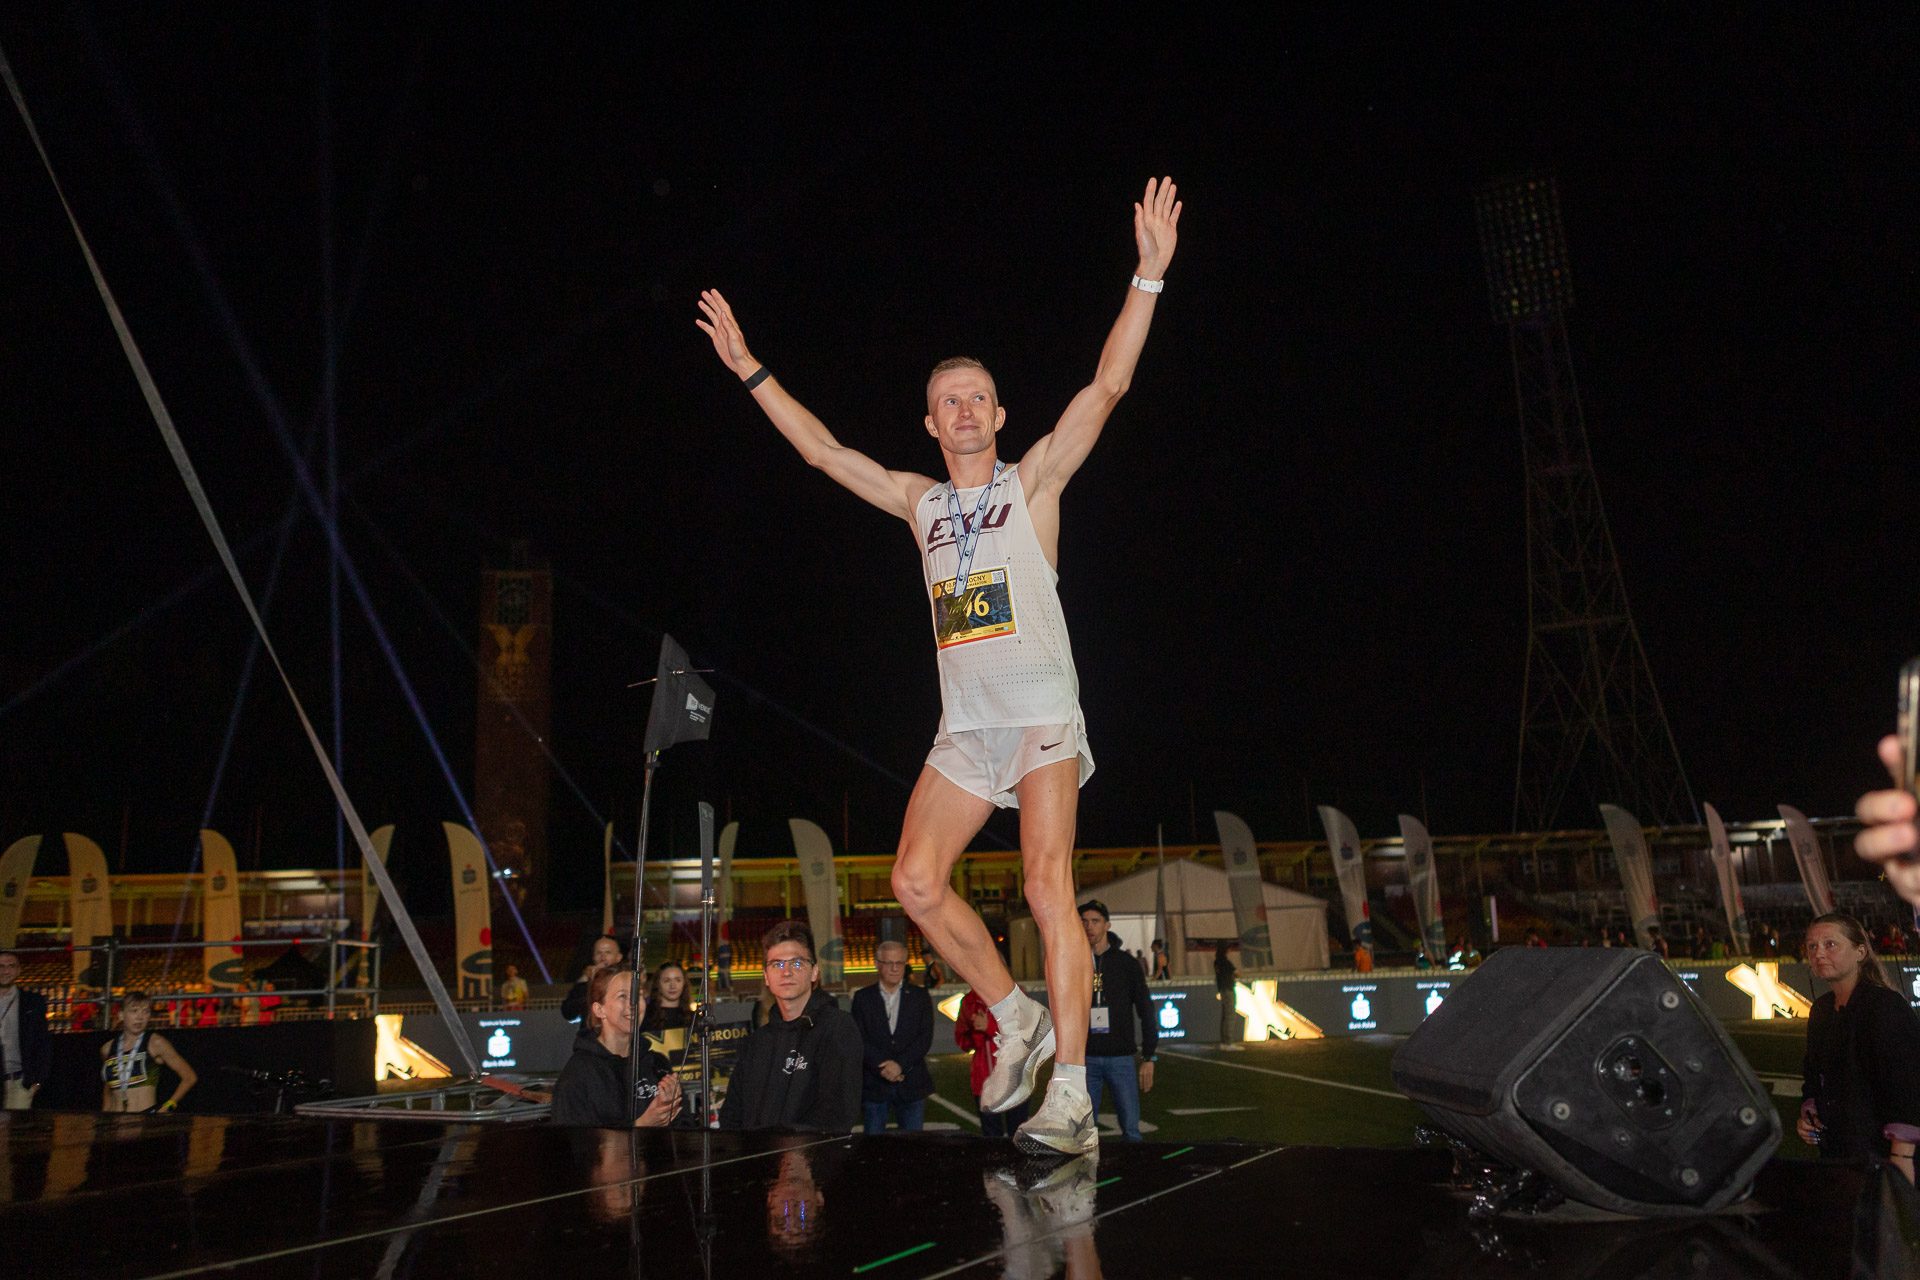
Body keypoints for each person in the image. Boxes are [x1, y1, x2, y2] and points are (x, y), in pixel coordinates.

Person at [697, 176, 1182, 1158]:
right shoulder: (919, 502)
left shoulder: (1033, 481)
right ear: (928, 423)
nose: (961, 409)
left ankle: (1071, 1091)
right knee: (915, 880)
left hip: (1040, 712)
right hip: (965, 725)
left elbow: (1107, 387)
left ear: (999, 414)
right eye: (945, 401)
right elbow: (824, 453)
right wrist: (750, 370)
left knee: (1047, 886)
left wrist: (1148, 277)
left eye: (975, 398)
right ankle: (1014, 1010)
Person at [1795, 913, 1920, 1181]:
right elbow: (1814, 1075)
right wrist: (1810, 1112)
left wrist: (1902, 1159)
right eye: (1812, 946)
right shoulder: (1821, 1010)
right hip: (1839, 1156)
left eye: (1830, 944)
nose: (1818, 953)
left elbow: (1907, 1087)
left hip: (1882, 1159)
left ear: (1860, 952)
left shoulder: (1885, 1006)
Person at [719, 920, 862, 1133]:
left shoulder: (838, 1028)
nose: (786, 972)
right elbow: (732, 1113)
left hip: (811, 1152)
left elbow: (837, 1112)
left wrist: (786, 1148)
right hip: (756, 1153)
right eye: (777, 964)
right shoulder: (756, 1043)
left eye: (796, 963)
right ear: (766, 977)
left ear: (814, 972)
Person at [551, 966, 683, 1128]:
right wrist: (641, 1125)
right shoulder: (578, 1076)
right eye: (622, 996)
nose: (633, 1004)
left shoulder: (657, 1065)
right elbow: (574, 1140)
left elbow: (686, 1127)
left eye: (638, 995)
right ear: (599, 1009)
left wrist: (670, 1108)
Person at [1079, 901, 1155, 1142]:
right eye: (1084, 921)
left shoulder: (1126, 964)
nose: (1089, 926)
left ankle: (1133, 1167)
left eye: (1095, 921)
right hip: (1085, 1058)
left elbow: (1146, 1009)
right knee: (1082, 1132)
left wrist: (1149, 1056)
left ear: (1107, 925)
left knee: (1131, 1130)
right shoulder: (1074, 963)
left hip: (1121, 1057)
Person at [851, 940, 934, 1133]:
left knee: (912, 1145)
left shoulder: (920, 996)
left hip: (912, 1083)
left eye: (900, 963)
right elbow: (858, 1038)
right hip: (875, 1085)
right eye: (889, 963)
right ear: (877, 964)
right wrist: (882, 1065)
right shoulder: (862, 998)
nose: (895, 968)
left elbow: (924, 1038)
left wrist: (899, 1065)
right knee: (874, 1145)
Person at [100, 991, 196, 1113]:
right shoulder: (107, 1048)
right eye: (134, 1011)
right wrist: (105, 1113)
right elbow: (107, 1087)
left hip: (145, 1118)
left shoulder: (156, 1043)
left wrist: (169, 1105)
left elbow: (189, 1077)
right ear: (121, 1015)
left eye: (145, 1011)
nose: (140, 1017)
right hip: (115, 1119)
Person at [955, 988, 1030, 1136]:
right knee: (991, 1137)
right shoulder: (969, 1001)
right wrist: (977, 1032)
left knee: (1017, 1135)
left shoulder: (1016, 994)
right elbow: (962, 1040)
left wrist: (989, 1026)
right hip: (984, 1079)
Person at [0, 951, 51, 1109]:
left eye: (11, 966)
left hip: (20, 1082)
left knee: (17, 1124)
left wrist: (38, 1081)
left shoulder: (33, 1002)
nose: (5, 971)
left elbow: (43, 1042)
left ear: (18, 970)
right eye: (1, 966)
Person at [563, 934, 626, 1026]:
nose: (603, 957)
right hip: (591, 1032)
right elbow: (569, 1013)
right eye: (599, 953)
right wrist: (585, 980)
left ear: (618, 957)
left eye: (608, 952)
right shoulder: (586, 982)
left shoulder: (626, 981)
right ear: (593, 957)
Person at [641, 960, 693, 1037]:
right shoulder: (644, 1016)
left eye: (678, 980)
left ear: (684, 983)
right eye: (667, 981)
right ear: (658, 984)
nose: (673, 986)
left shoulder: (693, 1019)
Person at [1213, 941, 1237, 1045]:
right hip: (1228, 989)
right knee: (1230, 1016)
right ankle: (1228, 1042)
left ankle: (1224, 1042)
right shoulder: (1226, 962)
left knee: (1225, 1016)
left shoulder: (1217, 962)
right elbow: (1236, 973)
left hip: (1222, 989)